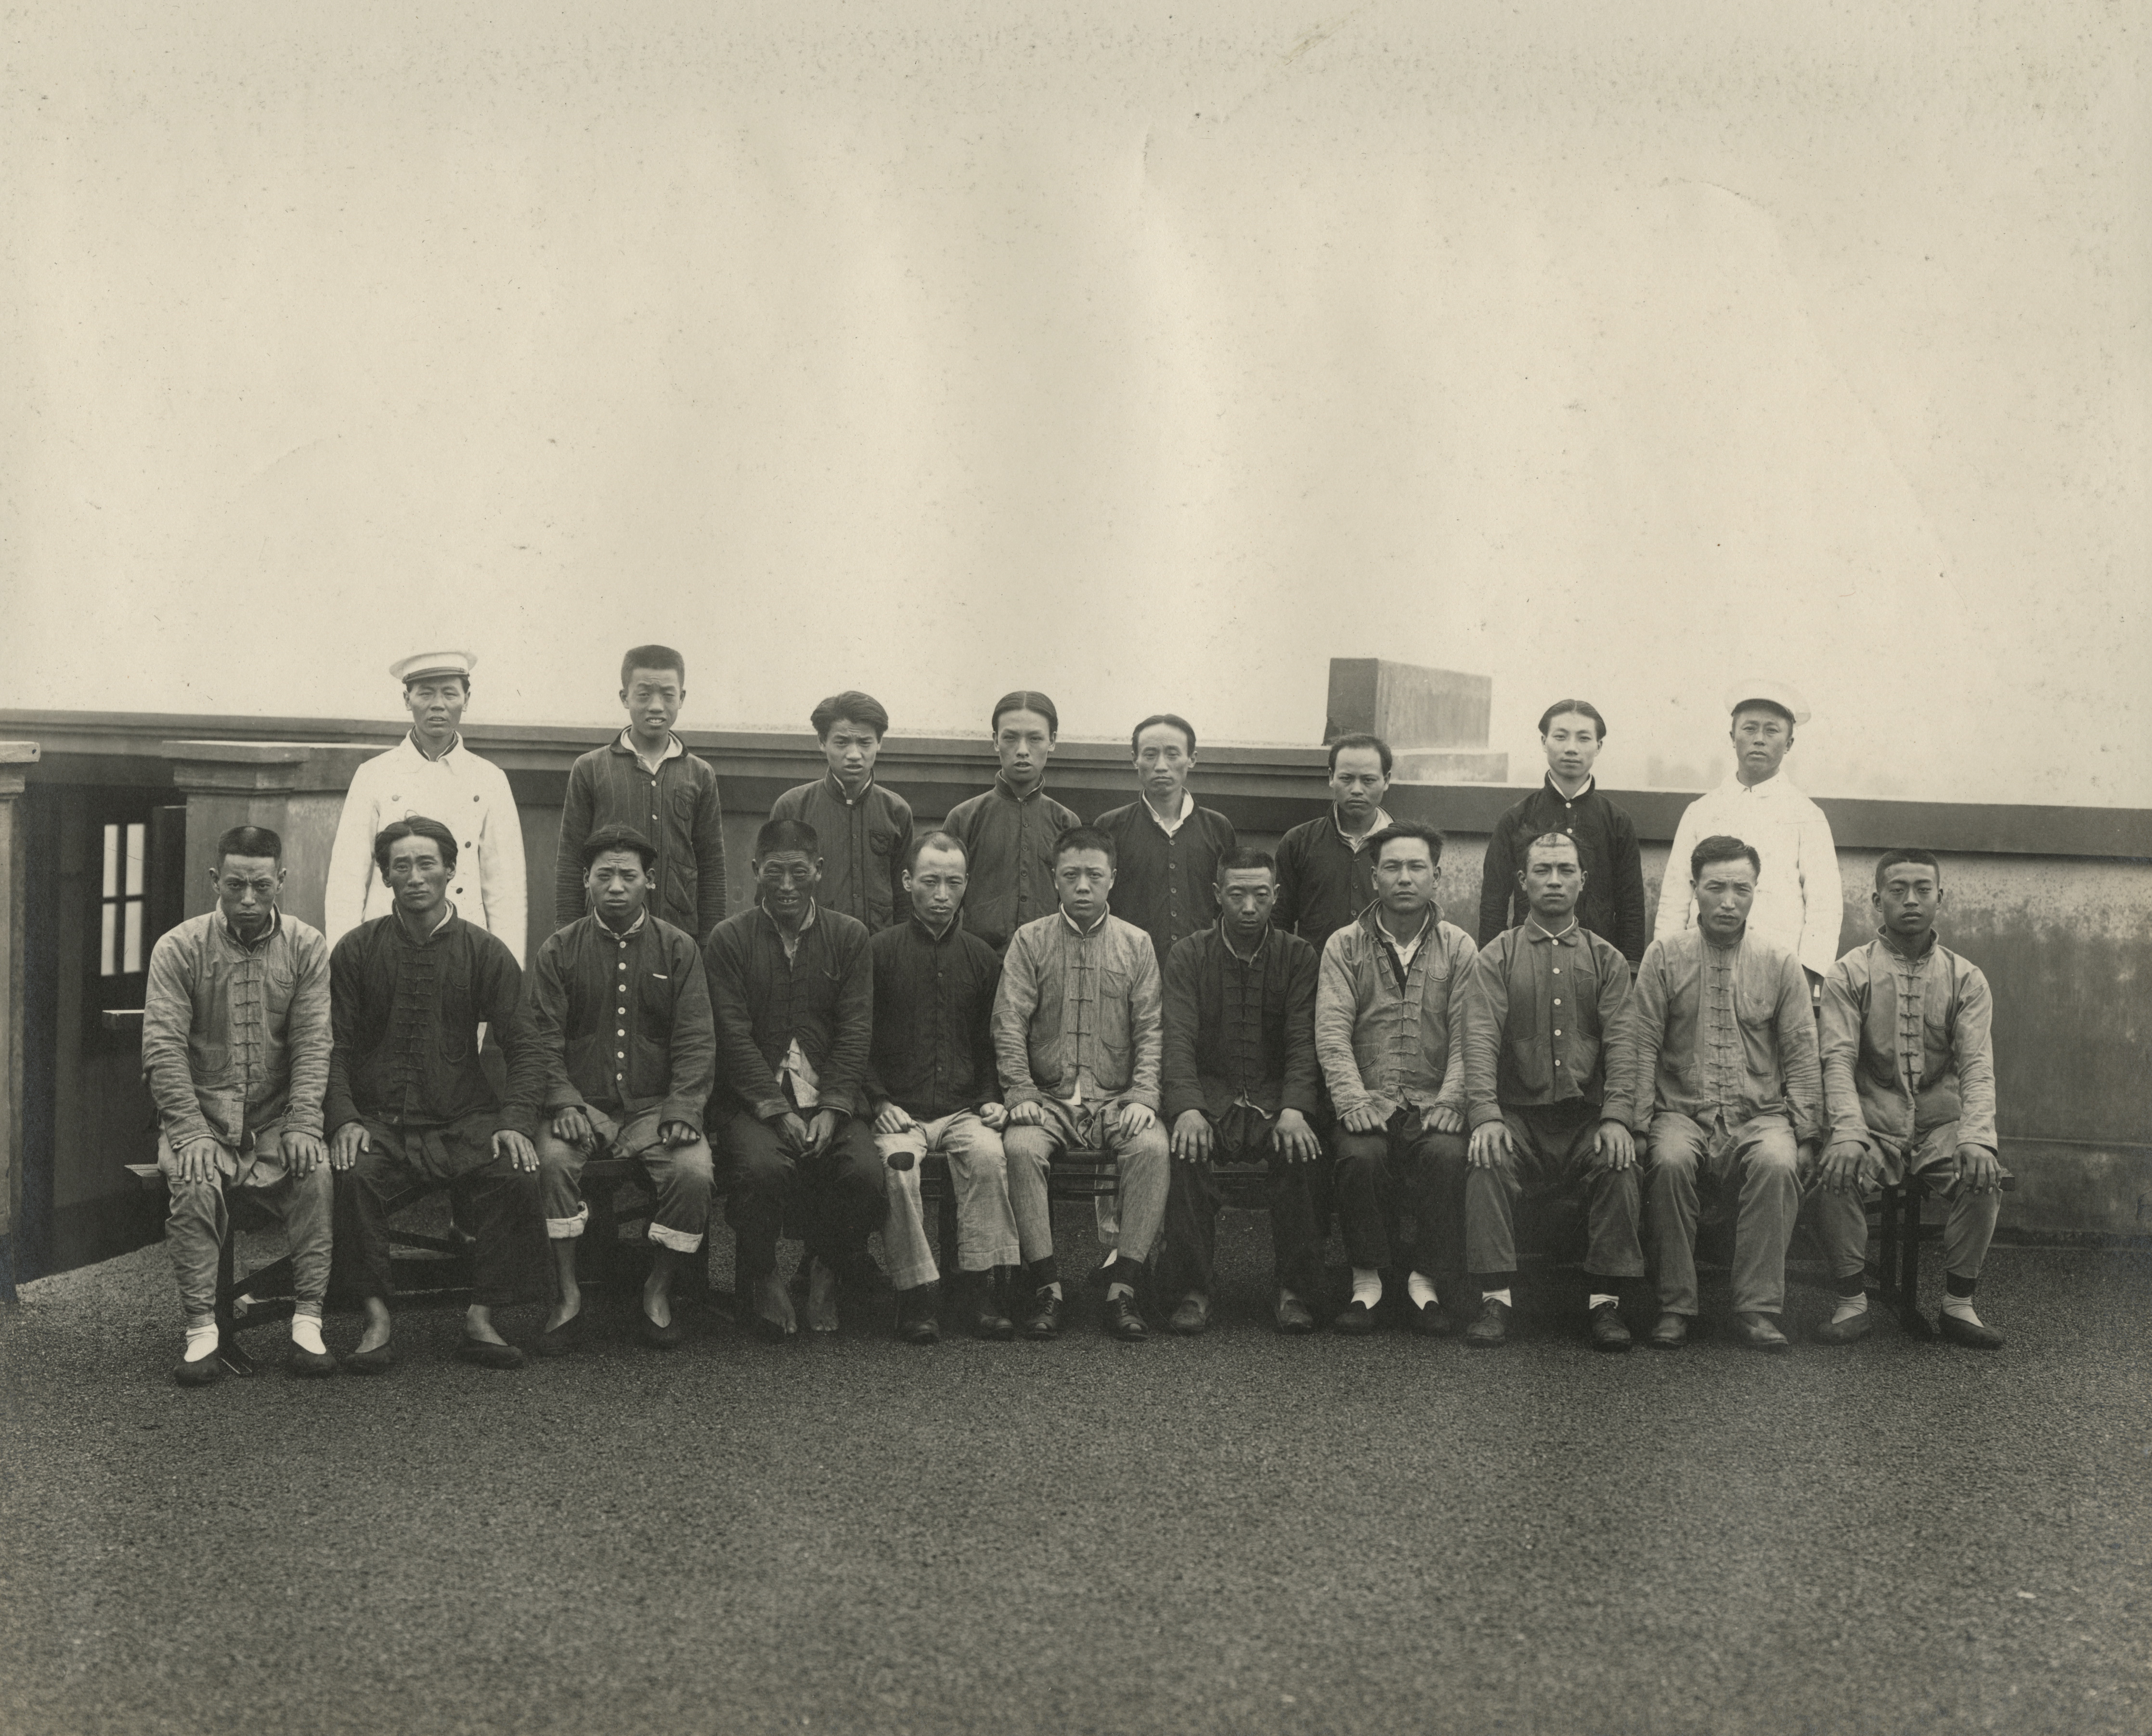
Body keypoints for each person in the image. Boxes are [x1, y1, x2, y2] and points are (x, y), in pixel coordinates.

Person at [326, 818, 546, 1370]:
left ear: (451, 871)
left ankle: (481, 1317)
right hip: (379, 1120)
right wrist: (345, 1118)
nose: (415, 877)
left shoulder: (485, 952)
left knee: (515, 1173)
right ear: (385, 876)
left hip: (462, 1118)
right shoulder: (356, 950)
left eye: (427, 864)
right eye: (401, 866)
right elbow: (332, 1047)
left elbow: (527, 1047)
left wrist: (515, 1121)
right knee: (353, 1176)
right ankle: (377, 1320)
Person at [141, 826, 336, 1384]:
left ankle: (308, 1321)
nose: (248, 900)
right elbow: (163, 1047)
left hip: (278, 1121)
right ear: (215, 882)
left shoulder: (307, 945)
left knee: (317, 1175)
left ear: (280, 881)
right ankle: (201, 1331)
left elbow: (314, 1041)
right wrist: (189, 1131)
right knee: (195, 1182)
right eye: (234, 886)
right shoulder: (179, 947)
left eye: (260, 886)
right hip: (200, 1121)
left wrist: (302, 1122)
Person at [523, 825, 717, 1353]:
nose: (615, 886)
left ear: (649, 882)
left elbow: (697, 1040)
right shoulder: (558, 951)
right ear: (585, 880)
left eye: (628, 876)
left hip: (655, 1112)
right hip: (578, 1109)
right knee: (553, 1164)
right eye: (603, 875)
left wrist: (682, 1108)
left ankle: (658, 1289)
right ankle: (567, 1294)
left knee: (694, 1172)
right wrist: (562, 1100)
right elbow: (541, 1040)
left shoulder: (679, 950)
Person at [1625, 834, 1823, 1351]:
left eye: (1742, 889)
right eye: (1716, 888)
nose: (1729, 901)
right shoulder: (1664, 957)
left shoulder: (1780, 962)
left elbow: (1801, 1050)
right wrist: (1636, 1122)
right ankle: (1674, 1306)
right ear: (1695, 889)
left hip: (1760, 1115)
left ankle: (1757, 1309)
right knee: (1667, 1162)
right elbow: (1642, 1041)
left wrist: (1807, 1133)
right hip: (1679, 1111)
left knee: (1779, 1164)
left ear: (1757, 892)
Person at [1812, 849, 2007, 1348]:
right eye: (1897, 890)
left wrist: (1979, 1137)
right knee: (1833, 1174)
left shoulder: (1967, 977)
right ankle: (1851, 1302)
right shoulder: (1848, 973)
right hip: (1872, 1123)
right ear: (1877, 899)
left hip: (1942, 1126)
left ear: (1940, 898)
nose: (1911, 900)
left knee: (1985, 1177)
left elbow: (1978, 1067)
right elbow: (1836, 1060)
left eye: (1923, 889)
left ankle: (1959, 1304)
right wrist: (1848, 1133)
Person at [1460, 832, 1643, 1351]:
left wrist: (1617, 1118)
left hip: (1587, 1118)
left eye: (1566, 870)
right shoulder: (1497, 956)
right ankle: (1495, 1299)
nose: (1555, 880)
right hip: (1518, 1116)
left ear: (1584, 880)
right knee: (1486, 1159)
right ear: (1523, 882)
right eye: (1543, 870)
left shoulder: (1607, 961)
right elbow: (1478, 1039)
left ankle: (1605, 1303)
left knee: (1621, 1163)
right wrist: (1487, 1116)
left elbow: (1625, 1045)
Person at [704, 817, 884, 1339]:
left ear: (819, 872)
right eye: (774, 874)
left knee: (865, 1174)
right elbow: (732, 1036)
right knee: (761, 1171)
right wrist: (774, 1109)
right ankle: (763, 1273)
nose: (787, 887)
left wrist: (834, 1106)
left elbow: (856, 1030)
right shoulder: (729, 940)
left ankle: (826, 1267)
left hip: (830, 1099)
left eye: (799, 873)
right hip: (752, 1101)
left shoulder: (850, 938)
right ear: (756, 871)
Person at [992, 826, 1169, 1342]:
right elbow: (1009, 1022)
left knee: (1154, 1149)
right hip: (1047, 1099)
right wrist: (1021, 1092)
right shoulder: (1031, 940)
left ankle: (1124, 1289)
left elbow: (1151, 1028)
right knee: (1020, 1149)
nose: (1084, 886)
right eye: (1072, 875)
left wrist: (1142, 1096)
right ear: (1055, 880)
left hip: (1116, 1098)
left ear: (1113, 878)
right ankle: (1048, 1286)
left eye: (1095, 875)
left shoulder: (1137, 944)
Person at [1315, 819, 1476, 1337]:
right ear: (1374, 876)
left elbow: (1469, 1035)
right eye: (1392, 868)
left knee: (1448, 1156)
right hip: (1368, 1098)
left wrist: (1453, 1100)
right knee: (1361, 1157)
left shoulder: (1459, 947)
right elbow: (1332, 1031)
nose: (1404, 878)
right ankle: (1368, 1282)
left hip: (1434, 1099)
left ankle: (1424, 1281)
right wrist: (1351, 1098)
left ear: (1437, 876)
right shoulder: (1344, 946)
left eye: (1416, 867)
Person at [1156, 848, 1324, 1335]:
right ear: (1217, 896)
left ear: (1276, 897)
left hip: (1275, 1101)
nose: (1248, 907)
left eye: (1259, 895)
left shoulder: (1298, 956)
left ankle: (1295, 1289)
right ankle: (1191, 1288)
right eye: (1236, 895)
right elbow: (1178, 1041)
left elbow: (1301, 1041)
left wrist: (1295, 1108)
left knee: (1305, 1152)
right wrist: (1187, 1108)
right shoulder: (1189, 954)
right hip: (1212, 1100)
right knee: (1184, 1152)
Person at [866, 831, 1021, 1344]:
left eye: (953, 883)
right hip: (899, 1112)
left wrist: (991, 1100)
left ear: (966, 887)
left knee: (987, 1156)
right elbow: (855, 1039)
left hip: (961, 1109)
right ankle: (916, 1295)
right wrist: (879, 1100)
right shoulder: (879, 953)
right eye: (930, 881)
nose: (941, 894)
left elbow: (991, 1042)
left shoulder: (981, 959)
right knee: (898, 1166)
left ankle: (976, 1288)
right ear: (908, 882)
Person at [324, 651, 528, 965]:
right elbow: (347, 880)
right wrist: (345, 962)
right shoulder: (373, 775)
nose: (438, 704)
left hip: (465, 945)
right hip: (385, 945)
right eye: (426, 693)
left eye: (449, 693)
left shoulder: (490, 779)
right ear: (407, 699)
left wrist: (506, 973)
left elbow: (506, 888)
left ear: (466, 698)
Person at [1654, 681, 1842, 987]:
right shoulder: (1701, 811)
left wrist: (1808, 975)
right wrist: (1667, 965)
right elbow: (1675, 897)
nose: (1759, 740)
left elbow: (1825, 905)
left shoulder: (1808, 816)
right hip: (1699, 966)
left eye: (1772, 731)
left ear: (1790, 742)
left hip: (1778, 970)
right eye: (1750, 729)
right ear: (1732, 737)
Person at [552, 644, 728, 941]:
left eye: (668, 695)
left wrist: (710, 942)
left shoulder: (700, 774)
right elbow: (571, 860)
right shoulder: (590, 768)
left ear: (682, 698)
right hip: (604, 935)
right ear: (625, 697)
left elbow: (711, 866)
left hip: (679, 937)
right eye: (644, 694)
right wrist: (568, 938)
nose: (656, 706)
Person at [1477, 700, 1646, 966]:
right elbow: (1493, 904)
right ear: (1544, 742)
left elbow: (1631, 907)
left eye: (1584, 738)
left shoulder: (1617, 822)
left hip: (1598, 966)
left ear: (1598, 746)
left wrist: (1631, 971)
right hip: (1526, 964)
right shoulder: (1516, 819)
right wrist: (1491, 967)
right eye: (1560, 736)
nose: (1571, 748)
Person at [942, 690, 1082, 953]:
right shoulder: (964, 818)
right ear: (996, 741)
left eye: (1035, 739)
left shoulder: (1066, 822)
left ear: (1052, 741)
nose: (1022, 751)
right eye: (1010, 738)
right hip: (980, 964)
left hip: (1049, 961)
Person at [1096, 713, 1238, 969]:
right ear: (1134, 760)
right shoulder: (1110, 827)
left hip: (1201, 971)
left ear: (1192, 759)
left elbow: (1228, 907)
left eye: (1173, 754)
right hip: (1125, 968)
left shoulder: (1218, 828)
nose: (1161, 765)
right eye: (1150, 755)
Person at [770, 690, 913, 933]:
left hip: (879, 951)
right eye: (842, 742)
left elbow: (905, 897)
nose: (854, 754)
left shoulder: (897, 811)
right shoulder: (793, 807)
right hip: (811, 948)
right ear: (822, 742)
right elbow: (770, 890)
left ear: (880, 742)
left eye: (865, 743)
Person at [1273, 733, 1395, 958]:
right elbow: (1280, 924)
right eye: (1347, 779)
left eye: (1368, 780)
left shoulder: (1405, 846)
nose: (1357, 789)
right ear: (1331, 777)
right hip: (1314, 980)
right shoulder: (1299, 842)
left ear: (1386, 780)